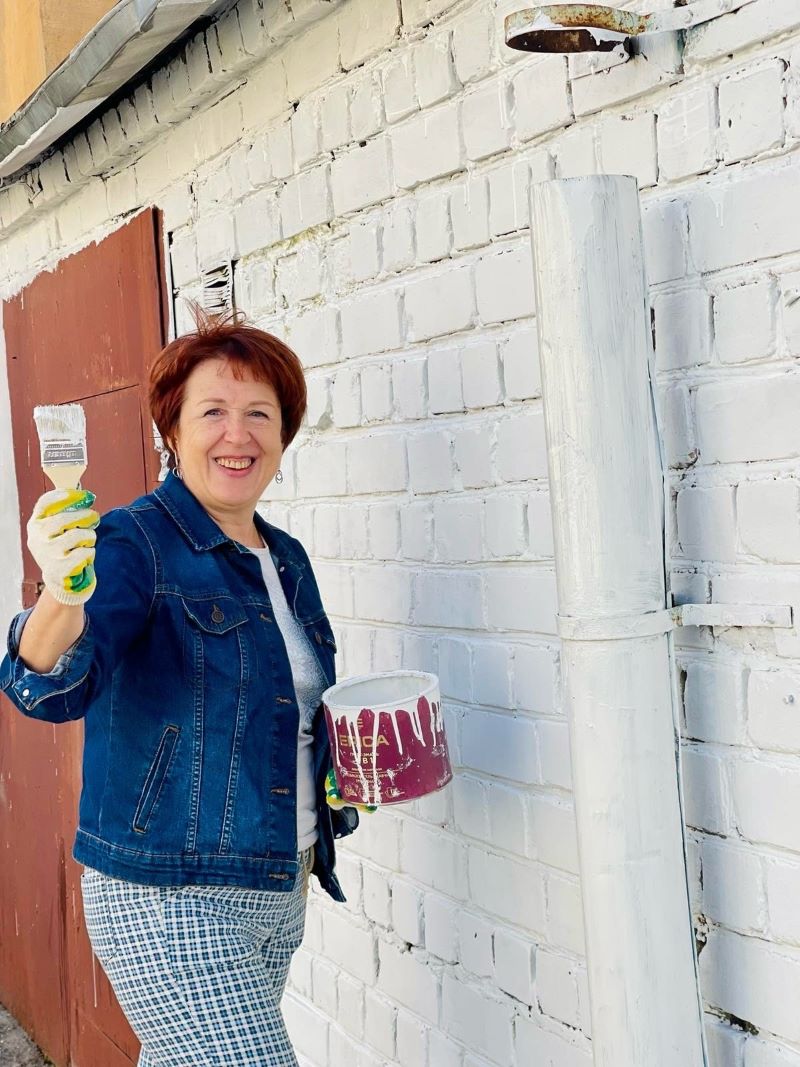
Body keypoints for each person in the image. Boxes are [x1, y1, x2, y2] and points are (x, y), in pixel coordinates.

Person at [0, 308, 362, 1067]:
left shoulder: (286, 558)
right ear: (172, 430)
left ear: (284, 434)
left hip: (279, 881)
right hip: (169, 895)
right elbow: (53, 683)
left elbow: (284, 713)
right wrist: (61, 594)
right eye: (213, 412)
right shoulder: (135, 541)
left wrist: (349, 762)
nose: (239, 434)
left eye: (260, 413)